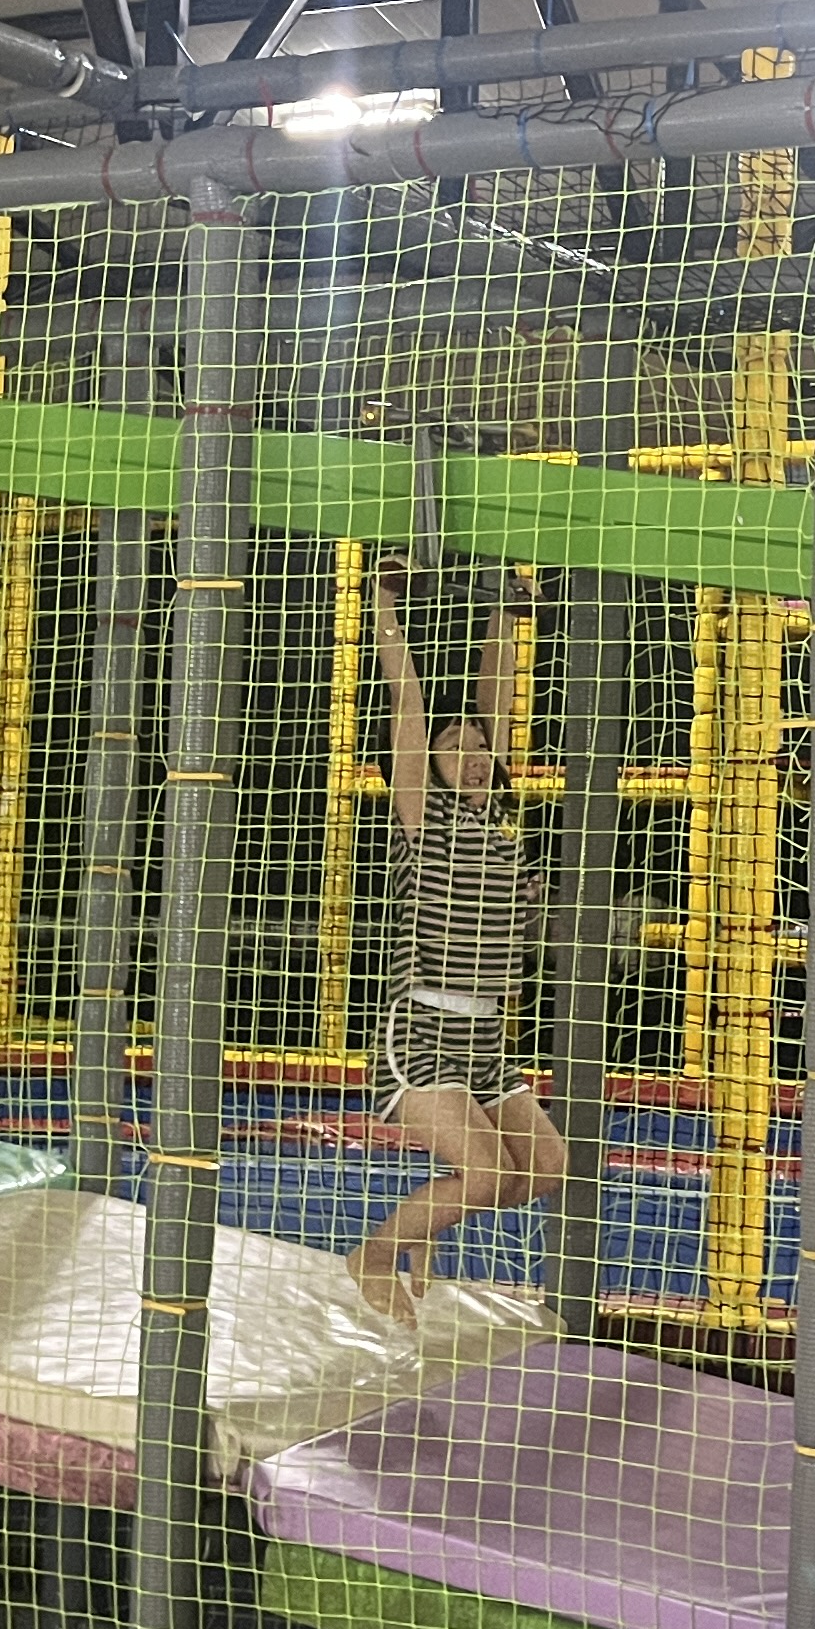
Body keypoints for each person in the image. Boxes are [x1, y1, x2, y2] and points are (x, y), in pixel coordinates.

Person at [351, 561, 564, 1313]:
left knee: (543, 1168)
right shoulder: (423, 818)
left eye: (479, 745)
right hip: (422, 1031)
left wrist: (506, 612)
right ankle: (377, 1251)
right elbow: (407, 705)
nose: (472, 752)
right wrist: (384, 605)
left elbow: (496, 698)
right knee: (486, 1174)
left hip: (487, 1038)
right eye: (454, 744)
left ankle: (426, 1221)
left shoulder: (501, 827)